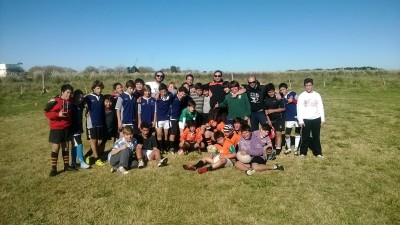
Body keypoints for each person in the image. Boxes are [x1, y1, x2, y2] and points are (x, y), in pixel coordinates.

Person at [45, 84, 76, 176]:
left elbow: (79, 98)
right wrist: (57, 115)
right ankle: (53, 168)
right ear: (62, 92)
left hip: (66, 127)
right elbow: (47, 113)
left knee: (66, 146)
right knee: (56, 147)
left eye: (70, 93)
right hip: (56, 128)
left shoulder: (70, 100)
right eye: (67, 92)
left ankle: (66, 166)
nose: (69, 95)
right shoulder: (55, 101)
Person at [297, 78, 325, 158]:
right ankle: (303, 153)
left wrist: (322, 118)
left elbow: (320, 107)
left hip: (316, 118)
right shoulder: (302, 96)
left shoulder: (317, 95)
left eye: (310, 85)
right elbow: (299, 109)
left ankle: (318, 152)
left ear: (312, 86)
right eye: (306, 86)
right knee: (305, 137)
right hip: (306, 119)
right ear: (304, 86)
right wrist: (300, 120)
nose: (308, 87)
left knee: (316, 136)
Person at [84, 80, 106, 166]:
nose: (99, 90)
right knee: (94, 140)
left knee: (100, 141)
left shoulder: (102, 97)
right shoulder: (88, 97)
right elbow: (81, 101)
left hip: (100, 122)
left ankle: (87, 155)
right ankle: (97, 159)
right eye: (98, 88)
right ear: (93, 88)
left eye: (101, 88)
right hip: (91, 122)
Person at [69, 89, 91, 169]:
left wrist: (84, 101)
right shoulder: (71, 106)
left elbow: (86, 96)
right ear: (74, 97)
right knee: (79, 144)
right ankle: (81, 162)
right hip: (73, 130)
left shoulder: (80, 105)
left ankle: (73, 163)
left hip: (79, 129)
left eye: (81, 98)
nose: (80, 99)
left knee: (74, 146)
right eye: (78, 97)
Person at [279, 83, 301, 155]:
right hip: (288, 118)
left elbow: (300, 101)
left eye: (283, 89)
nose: (282, 91)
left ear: (287, 88)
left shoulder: (293, 93)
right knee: (287, 134)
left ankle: (296, 149)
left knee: (297, 133)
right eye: (281, 90)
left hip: (297, 117)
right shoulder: (282, 98)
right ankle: (288, 148)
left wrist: (293, 100)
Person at [264, 83, 285, 155]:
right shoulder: (265, 99)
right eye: (269, 92)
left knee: (278, 133)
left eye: (272, 91)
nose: (271, 93)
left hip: (279, 117)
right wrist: (268, 120)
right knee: (272, 134)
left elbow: (283, 108)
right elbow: (266, 111)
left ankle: (278, 148)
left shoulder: (278, 98)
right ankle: (272, 146)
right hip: (271, 119)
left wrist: (272, 110)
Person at [155, 83, 174, 152]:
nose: (163, 93)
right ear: (159, 91)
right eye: (162, 92)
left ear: (167, 90)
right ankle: (160, 148)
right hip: (159, 118)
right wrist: (157, 93)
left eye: (165, 91)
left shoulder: (170, 95)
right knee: (159, 133)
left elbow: (174, 91)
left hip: (167, 118)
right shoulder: (157, 97)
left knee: (166, 134)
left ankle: (166, 147)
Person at [169, 87, 188, 152]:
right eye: (182, 93)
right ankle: (171, 147)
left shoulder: (182, 100)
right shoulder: (173, 97)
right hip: (172, 118)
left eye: (184, 94)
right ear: (178, 92)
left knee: (177, 133)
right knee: (173, 133)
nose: (182, 95)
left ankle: (176, 146)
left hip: (178, 118)